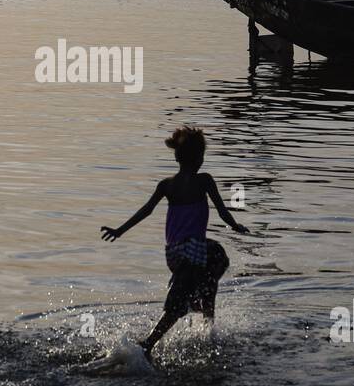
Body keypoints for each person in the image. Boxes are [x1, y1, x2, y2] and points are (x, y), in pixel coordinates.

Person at [100, 126, 248, 360]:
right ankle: (149, 344)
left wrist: (119, 231)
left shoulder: (167, 185)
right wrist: (236, 226)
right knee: (179, 303)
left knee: (216, 258)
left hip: (174, 253)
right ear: (199, 158)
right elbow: (221, 212)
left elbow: (146, 211)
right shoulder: (205, 181)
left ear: (178, 157)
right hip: (194, 250)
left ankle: (201, 309)